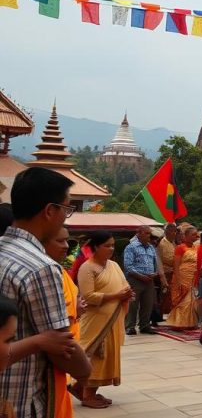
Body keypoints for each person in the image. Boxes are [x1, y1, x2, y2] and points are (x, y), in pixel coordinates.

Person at [0, 168, 91, 417]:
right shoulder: (41, 267)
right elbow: (62, 349)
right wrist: (85, 372)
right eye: (66, 209)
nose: (66, 217)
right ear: (50, 211)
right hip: (19, 400)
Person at [75, 230, 133, 408]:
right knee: (94, 355)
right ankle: (86, 395)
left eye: (113, 245)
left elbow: (124, 286)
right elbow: (89, 296)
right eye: (107, 245)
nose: (111, 248)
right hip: (96, 321)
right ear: (95, 247)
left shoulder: (114, 265)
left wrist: (128, 294)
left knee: (106, 356)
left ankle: (83, 390)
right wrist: (117, 295)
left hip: (113, 319)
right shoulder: (87, 267)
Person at [43, 225, 83, 418]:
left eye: (68, 241)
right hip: (60, 345)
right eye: (60, 241)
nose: (66, 246)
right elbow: (61, 318)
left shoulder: (59, 270)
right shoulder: (49, 272)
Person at [123, 225, 159, 335]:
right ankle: (130, 326)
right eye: (147, 233)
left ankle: (144, 325)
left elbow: (155, 264)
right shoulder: (131, 247)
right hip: (135, 279)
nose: (149, 236)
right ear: (139, 234)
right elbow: (128, 266)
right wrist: (141, 276)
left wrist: (154, 273)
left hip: (149, 280)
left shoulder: (151, 248)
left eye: (150, 233)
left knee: (147, 304)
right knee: (133, 303)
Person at [165, 225, 199, 330]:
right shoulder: (180, 248)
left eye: (196, 234)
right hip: (182, 276)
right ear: (186, 236)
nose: (196, 236)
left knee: (191, 300)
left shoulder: (195, 247)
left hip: (192, 277)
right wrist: (178, 280)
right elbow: (176, 266)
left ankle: (189, 323)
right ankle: (178, 323)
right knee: (182, 300)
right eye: (193, 235)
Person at [156, 224, 178, 321]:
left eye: (175, 231)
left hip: (174, 272)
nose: (174, 234)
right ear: (167, 232)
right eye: (172, 231)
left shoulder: (174, 243)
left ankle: (169, 315)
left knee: (171, 296)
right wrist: (162, 275)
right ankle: (158, 316)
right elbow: (159, 259)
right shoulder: (161, 243)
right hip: (165, 272)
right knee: (163, 295)